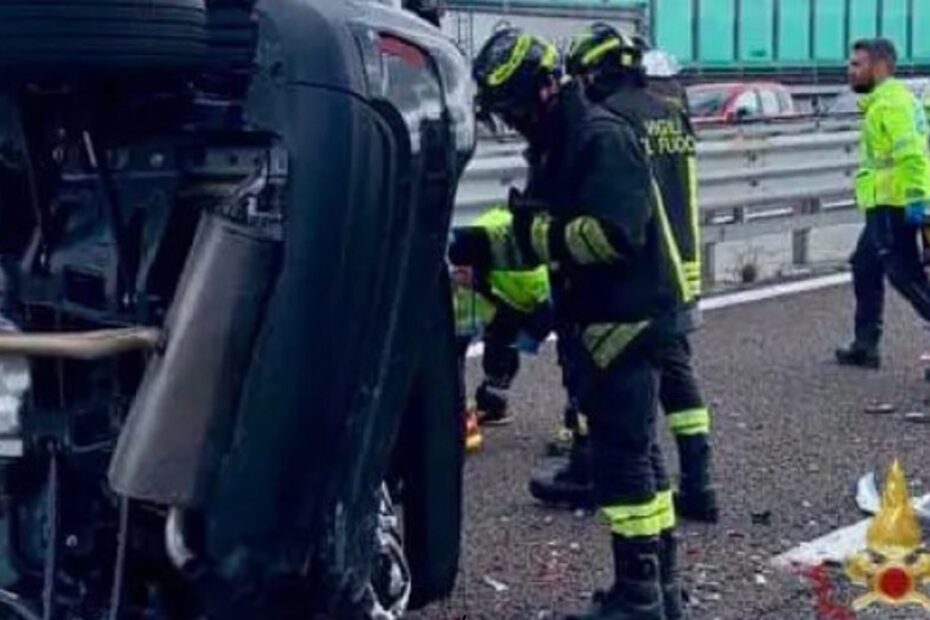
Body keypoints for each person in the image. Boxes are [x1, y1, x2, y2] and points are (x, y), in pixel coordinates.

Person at [451, 27, 689, 620]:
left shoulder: (600, 138)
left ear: (538, 92)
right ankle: (658, 588)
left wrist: (530, 236)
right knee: (639, 455)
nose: (510, 123)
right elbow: (538, 230)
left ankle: (640, 596)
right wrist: (478, 244)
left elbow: (609, 235)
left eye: (509, 110)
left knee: (623, 459)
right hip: (610, 320)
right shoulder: (562, 140)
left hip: (624, 323)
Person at [530, 24, 717, 525]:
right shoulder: (671, 110)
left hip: (640, 270)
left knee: (616, 377)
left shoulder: (610, 121)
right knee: (677, 374)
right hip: (682, 262)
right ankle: (699, 480)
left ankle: (597, 469)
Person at [835, 38, 930, 368]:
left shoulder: (891, 105)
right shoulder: (890, 100)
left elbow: (912, 155)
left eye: (856, 64)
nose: (850, 71)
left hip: (896, 203)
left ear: (878, 66)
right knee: (865, 265)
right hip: (885, 202)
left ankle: (866, 343)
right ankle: (866, 344)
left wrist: (917, 200)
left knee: (905, 275)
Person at [452, 206, 553, 435]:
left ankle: (579, 417)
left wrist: (526, 339)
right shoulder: (467, 268)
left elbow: (545, 313)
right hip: (487, 265)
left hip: (527, 286)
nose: (460, 276)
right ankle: (486, 404)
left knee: (506, 337)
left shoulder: (532, 280)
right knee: (493, 335)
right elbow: (461, 335)